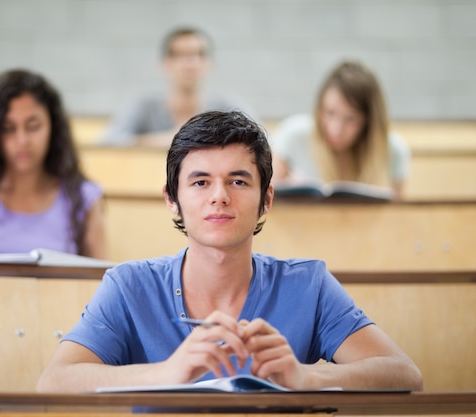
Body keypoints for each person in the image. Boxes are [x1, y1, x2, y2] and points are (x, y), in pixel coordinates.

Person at [37, 110, 422, 393]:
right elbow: (54, 381)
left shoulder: (309, 284)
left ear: (266, 199)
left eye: (238, 181)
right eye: (200, 182)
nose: (219, 197)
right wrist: (166, 373)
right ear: (173, 200)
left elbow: (404, 373)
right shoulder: (128, 286)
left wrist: (308, 377)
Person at [0, 69, 106, 258]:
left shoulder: (83, 197)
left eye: (33, 126)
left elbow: (102, 282)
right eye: (8, 129)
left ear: (53, 126)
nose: (22, 140)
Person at [271, 60, 410, 199]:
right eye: (330, 113)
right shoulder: (293, 135)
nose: (336, 129)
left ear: (368, 122)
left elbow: (396, 215)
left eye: (350, 119)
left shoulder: (393, 150)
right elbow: (267, 204)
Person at [99, 26, 251, 148]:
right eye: (181, 55)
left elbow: (261, 141)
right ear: (165, 63)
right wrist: (167, 139)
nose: (191, 63)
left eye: (199, 54)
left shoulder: (227, 107)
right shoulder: (143, 106)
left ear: (209, 63)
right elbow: (108, 142)